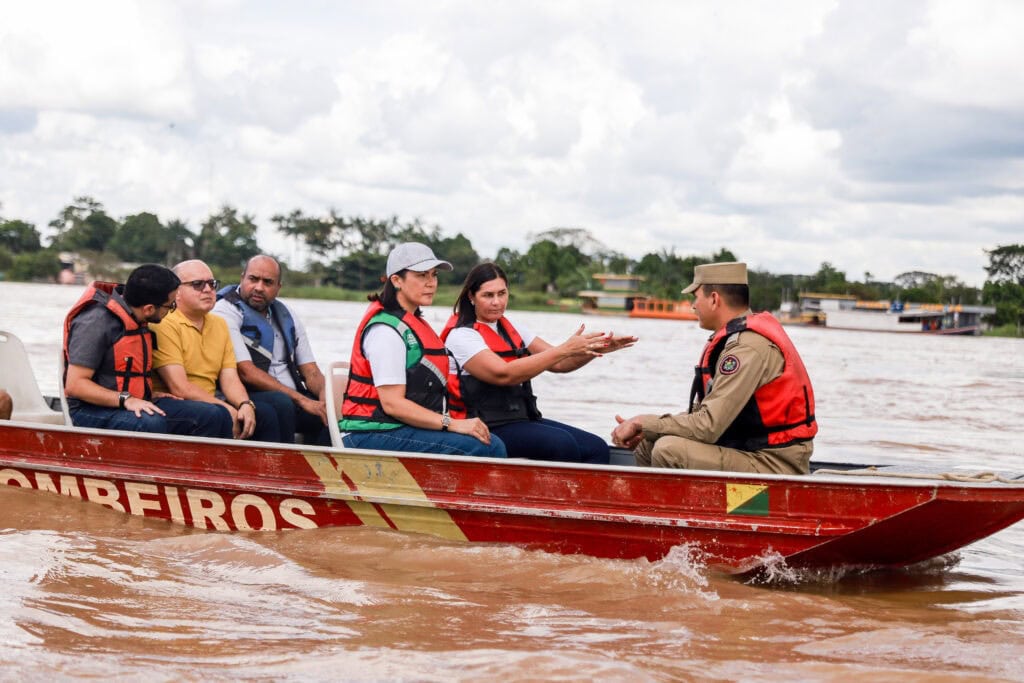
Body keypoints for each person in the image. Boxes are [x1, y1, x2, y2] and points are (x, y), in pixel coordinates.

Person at [611, 262, 817, 474]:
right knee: (649, 443)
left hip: (773, 462)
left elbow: (707, 427)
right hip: (746, 449)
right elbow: (704, 414)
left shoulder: (746, 348)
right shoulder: (734, 341)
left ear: (714, 299)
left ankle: (681, 507)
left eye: (696, 297)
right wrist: (648, 428)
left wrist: (642, 423)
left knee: (668, 450)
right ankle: (653, 507)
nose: (693, 305)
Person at [441, 263, 637, 464]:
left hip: (520, 419)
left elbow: (561, 364)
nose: (497, 302)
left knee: (596, 448)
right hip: (484, 425)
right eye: (488, 295)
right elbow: (503, 374)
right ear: (471, 297)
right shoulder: (462, 336)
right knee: (561, 444)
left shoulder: (512, 328)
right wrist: (565, 348)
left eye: (502, 293)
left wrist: (595, 349)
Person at [340, 243, 507, 457]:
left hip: (396, 427)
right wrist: (452, 423)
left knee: (487, 438)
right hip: (369, 435)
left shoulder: (413, 322)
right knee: (489, 447)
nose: (431, 283)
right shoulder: (385, 331)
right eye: (421, 275)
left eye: (434, 275)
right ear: (396, 280)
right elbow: (392, 404)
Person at [62, 264, 232, 437]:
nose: (172, 309)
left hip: (130, 403)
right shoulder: (96, 323)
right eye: (170, 305)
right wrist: (127, 399)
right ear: (149, 309)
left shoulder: (137, 315)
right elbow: (76, 386)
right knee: (149, 422)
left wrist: (147, 393)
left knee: (215, 414)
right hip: (88, 410)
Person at [150, 259, 284, 443]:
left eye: (212, 284)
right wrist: (226, 407)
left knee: (264, 413)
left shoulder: (219, 323)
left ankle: (268, 470)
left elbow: (229, 378)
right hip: (174, 401)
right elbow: (179, 387)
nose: (208, 290)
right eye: (197, 284)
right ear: (176, 291)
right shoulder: (165, 322)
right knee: (216, 413)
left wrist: (245, 404)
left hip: (210, 400)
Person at [213, 255, 331, 446]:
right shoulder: (225, 312)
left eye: (268, 282)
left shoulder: (286, 314)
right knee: (281, 403)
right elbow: (246, 371)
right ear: (242, 278)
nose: (259, 287)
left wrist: (326, 398)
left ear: (278, 287)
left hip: (290, 396)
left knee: (330, 416)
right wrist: (302, 400)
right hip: (248, 394)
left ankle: (322, 471)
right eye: (253, 279)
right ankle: (281, 469)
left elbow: (311, 371)